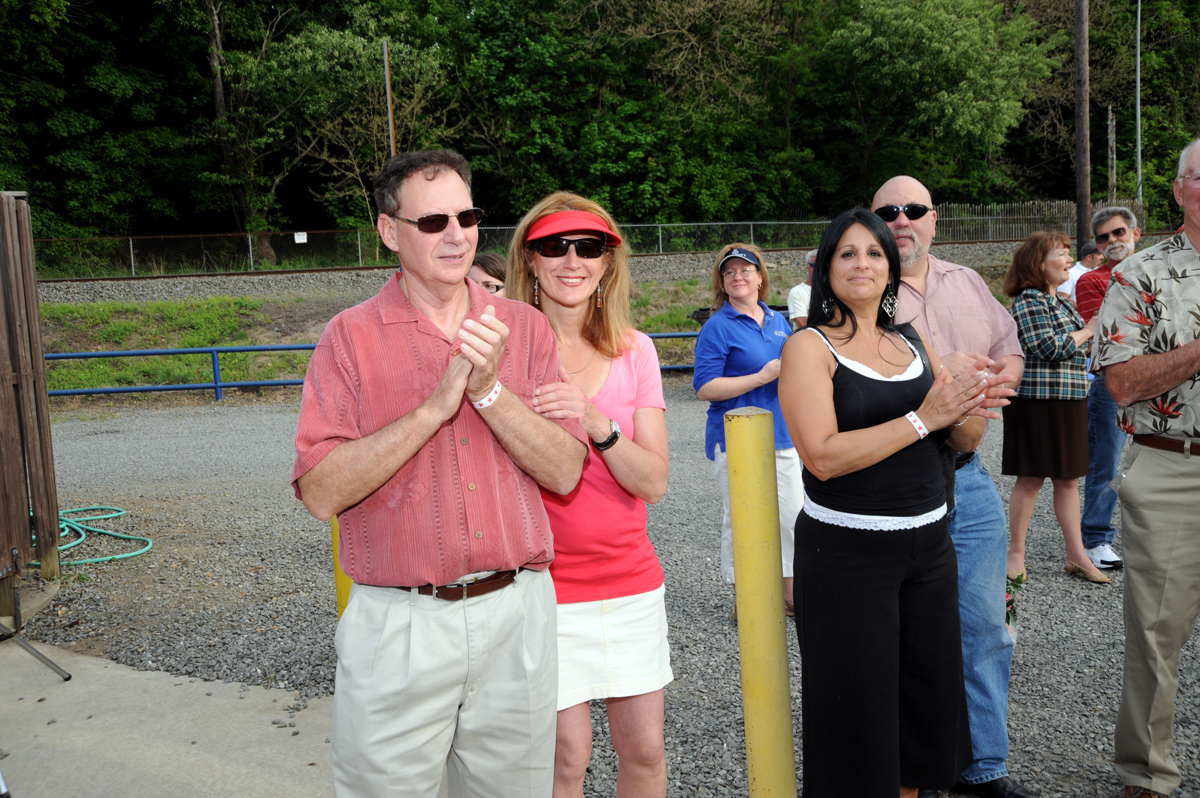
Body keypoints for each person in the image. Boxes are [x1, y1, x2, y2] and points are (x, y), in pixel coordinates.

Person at [291, 149, 589, 798]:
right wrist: (434, 408)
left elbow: (567, 470)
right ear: (389, 232)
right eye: (432, 223)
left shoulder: (526, 329)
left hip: (517, 613)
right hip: (401, 623)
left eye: (467, 216)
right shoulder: (349, 339)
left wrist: (489, 394)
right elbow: (319, 491)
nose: (456, 235)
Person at [779, 207, 1001, 798]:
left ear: (890, 267)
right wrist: (924, 416)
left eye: (874, 252)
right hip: (848, 555)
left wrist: (971, 402)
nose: (862, 263)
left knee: (924, 707)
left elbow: (958, 439)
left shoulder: (911, 338)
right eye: (847, 252)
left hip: (929, 547)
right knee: (860, 712)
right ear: (827, 267)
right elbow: (821, 455)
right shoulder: (809, 346)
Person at [872, 175, 1036, 798]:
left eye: (914, 210)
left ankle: (982, 767)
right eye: (888, 211)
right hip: (900, 482)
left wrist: (996, 385)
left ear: (935, 219)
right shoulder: (859, 289)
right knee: (905, 632)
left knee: (985, 625)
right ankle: (911, 768)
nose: (902, 220)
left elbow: (1009, 344)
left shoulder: (966, 282)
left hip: (968, 484)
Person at [506, 193, 673, 797]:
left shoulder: (635, 350)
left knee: (645, 750)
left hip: (629, 579)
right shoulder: (505, 350)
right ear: (529, 261)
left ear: (607, 263)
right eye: (554, 246)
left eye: (589, 247)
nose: (571, 260)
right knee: (565, 757)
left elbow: (653, 480)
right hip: (542, 586)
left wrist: (597, 423)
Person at [1096, 137, 1200, 798]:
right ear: (1184, 189)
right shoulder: (1144, 273)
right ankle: (1147, 776)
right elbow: (1123, 382)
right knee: (1157, 635)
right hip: (1173, 469)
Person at [693, 242, 801, 614]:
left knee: (791, 517)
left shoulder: (778, 322)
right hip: (737, 438)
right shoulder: (717, 327)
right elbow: (705, 387)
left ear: (759, 278)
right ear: (723, 283)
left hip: (783, 434)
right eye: (729, 272)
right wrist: (760, 376)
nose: (737, 276)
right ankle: (750, 599)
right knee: (744, 519)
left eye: (745, 270)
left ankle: (788, 595)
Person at [1001, 231, 1111, 585]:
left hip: (1070, 399)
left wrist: (1086, 339)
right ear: (1038, 263)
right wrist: (1089, 330)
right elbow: (1049, 346)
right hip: (1037, 402)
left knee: (1068, 481)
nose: (1069, 259)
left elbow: (1074, 349)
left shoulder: (1062, 301)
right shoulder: (1028, 300)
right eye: (1061, 254)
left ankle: (1076, 555)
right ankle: (1015, 553)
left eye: (1067, 253)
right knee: (1031, 479)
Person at [1075, 207, 1142, 572]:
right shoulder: (1091, 281)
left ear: (1136, 232)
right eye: (1103, 237)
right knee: (1107, 462)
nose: (1111, 241)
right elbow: (1108, 335)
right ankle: (1096, 538)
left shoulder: (1159, 272)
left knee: (1156, 460)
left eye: (1118, 233)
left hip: (1162, 379)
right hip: (1111, 381)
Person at [787, 249, 817, 329]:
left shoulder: (834, 290)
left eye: (821, 265)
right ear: (807, 267)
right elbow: (803, 324)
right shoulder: (797, 292)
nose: (818, 268)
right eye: (814, 265)